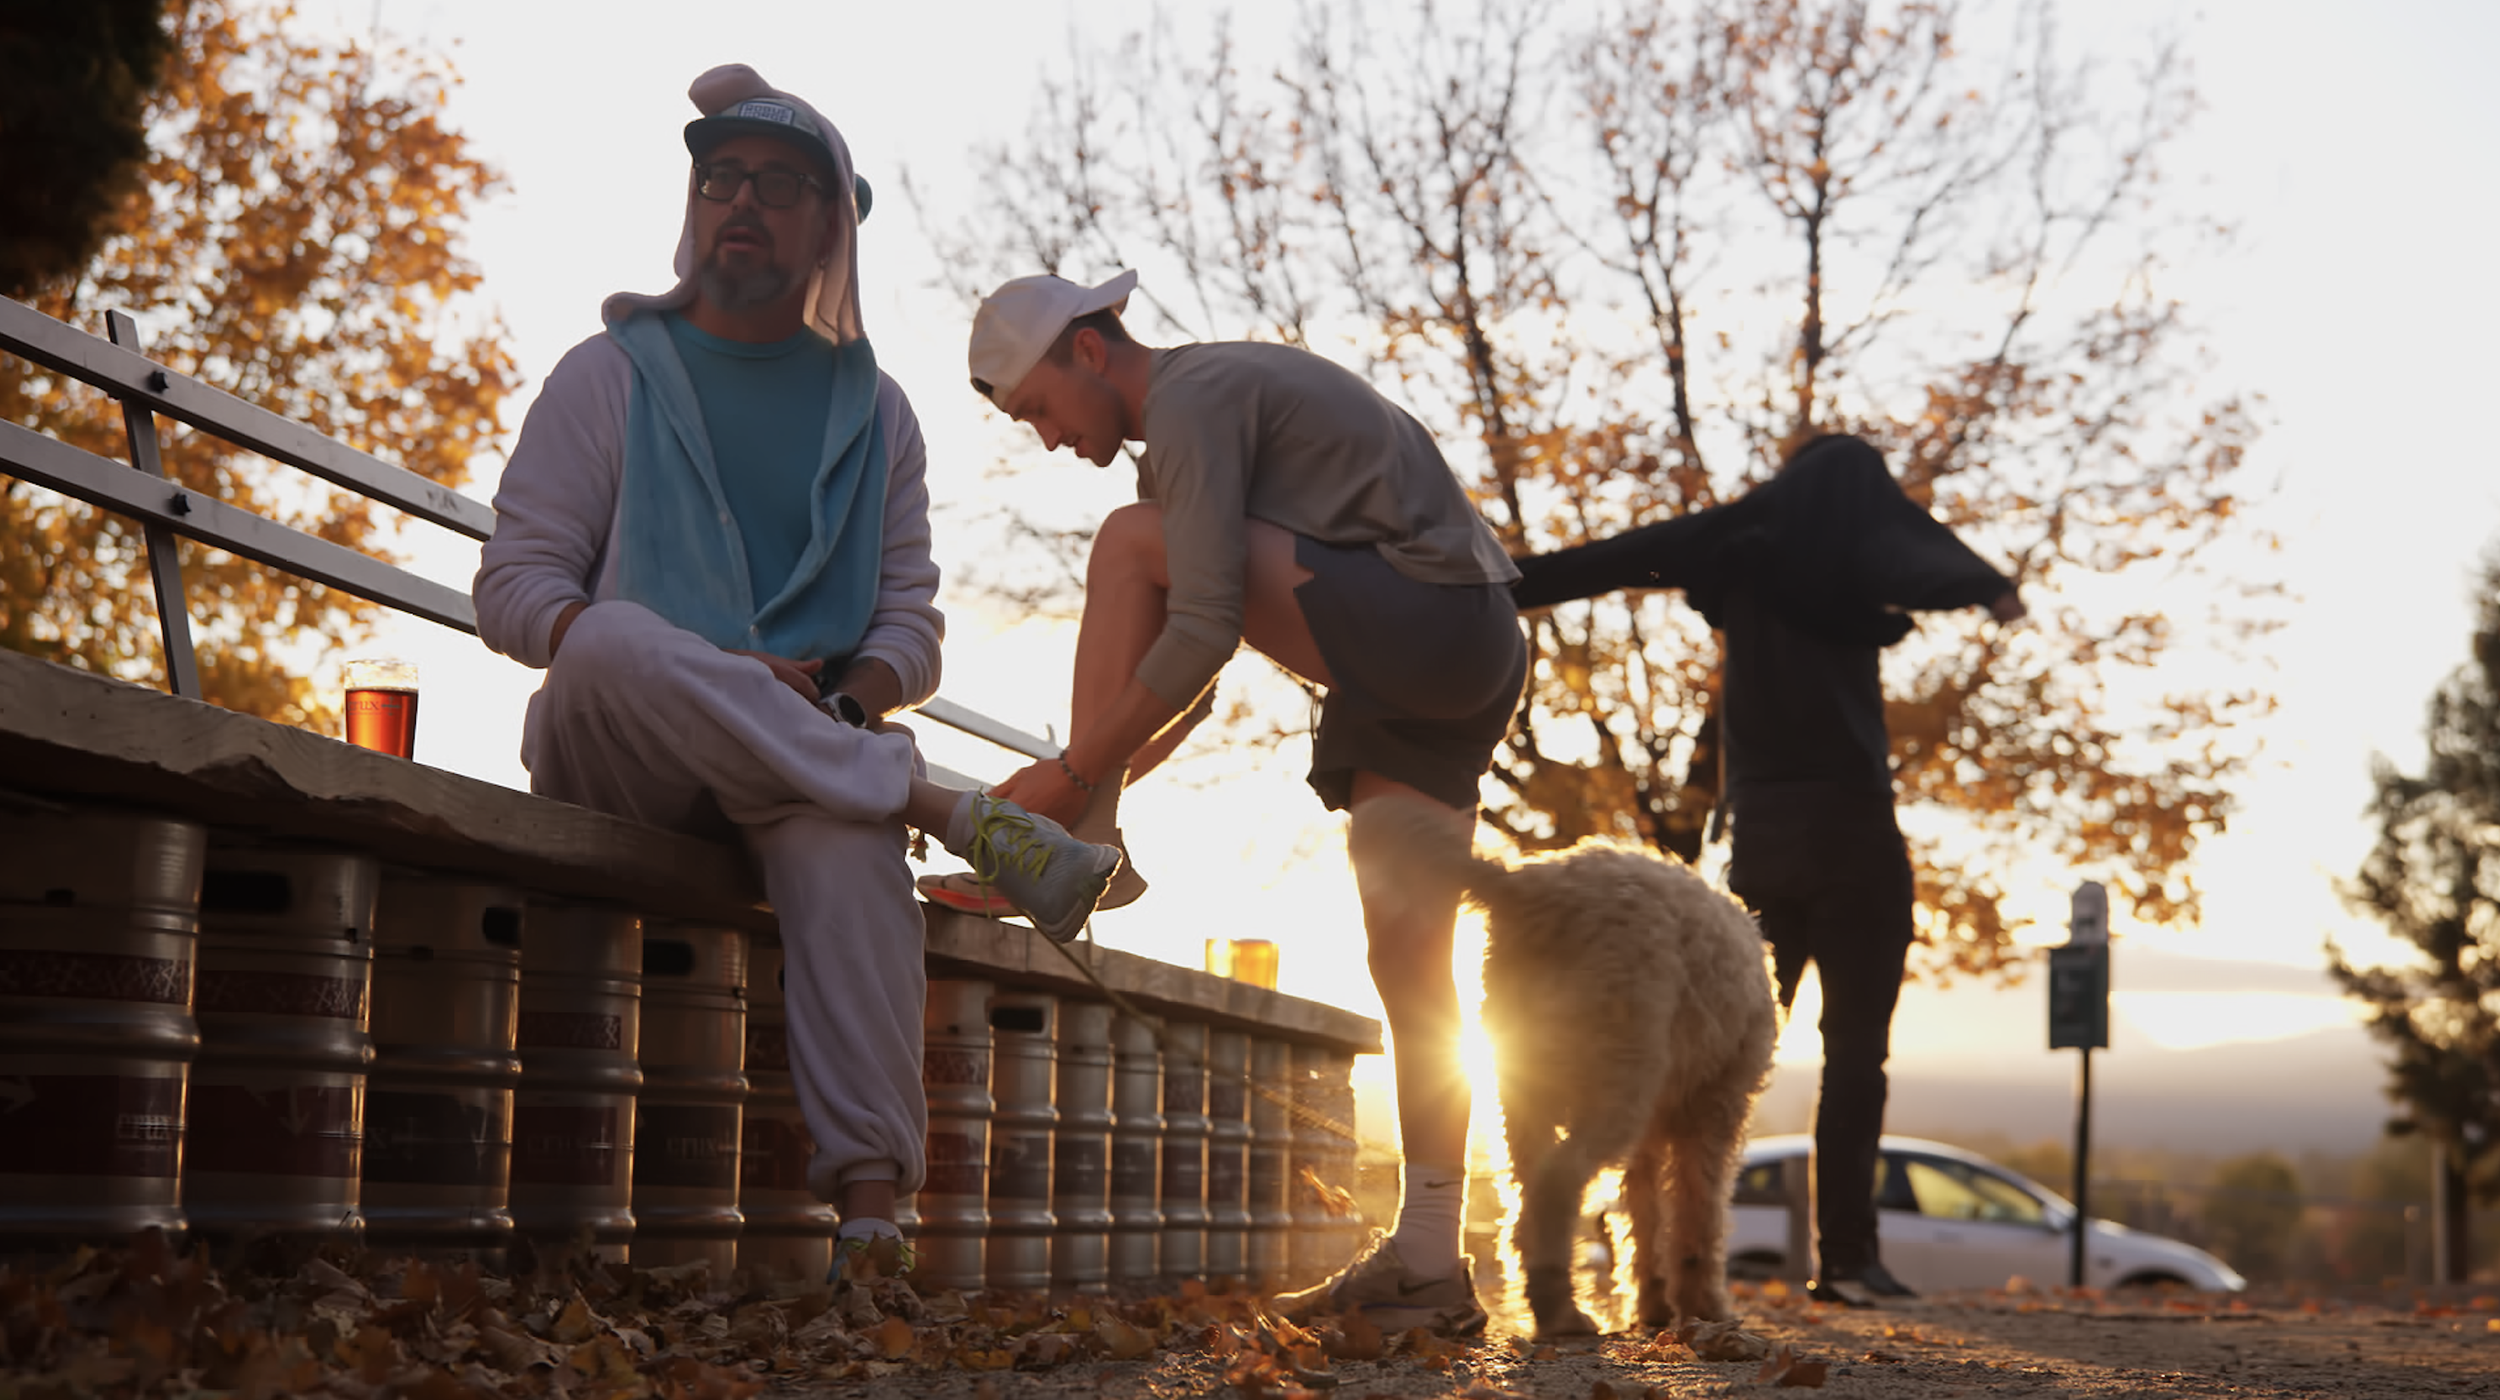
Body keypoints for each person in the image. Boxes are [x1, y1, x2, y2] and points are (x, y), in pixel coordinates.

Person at [471, 65, 1120, 1275]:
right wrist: (726, 675)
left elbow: (908, 630)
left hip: (801, 762)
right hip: (617, 739)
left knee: (842, 834)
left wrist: (834, 704)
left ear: (834, 226)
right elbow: (516, 591)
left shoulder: (877, 416)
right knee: (610, 635)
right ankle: (944, 806)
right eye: (720, 177)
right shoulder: (605, 374)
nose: (740, 202)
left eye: (778, 183)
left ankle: (871, 1226)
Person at [961, 270, 1526, 1333]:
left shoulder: (1189, 399)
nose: (1042, 437)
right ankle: (1429, 1259)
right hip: (1461, 647)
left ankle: (1071, 839)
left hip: (1422, 620)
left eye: (1035, 407)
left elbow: (1205, 624)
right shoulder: (1208, 410)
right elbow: (1205, 664)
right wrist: (1107, 761)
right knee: (1408, 963)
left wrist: (1074, 773)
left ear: (1089, 351)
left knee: (1130, 540)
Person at [1508, 432, 2025, 1307]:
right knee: (1858, 1056)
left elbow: (1622, 556)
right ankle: (1850, 1261)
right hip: (1859, 840)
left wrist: (1504, 583)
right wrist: (1990, 587)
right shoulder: (1864, 560)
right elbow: (1919, 549)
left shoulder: (1741, 554)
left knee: (1702, 1057)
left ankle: (1659, 1267)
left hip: (1767, 844)